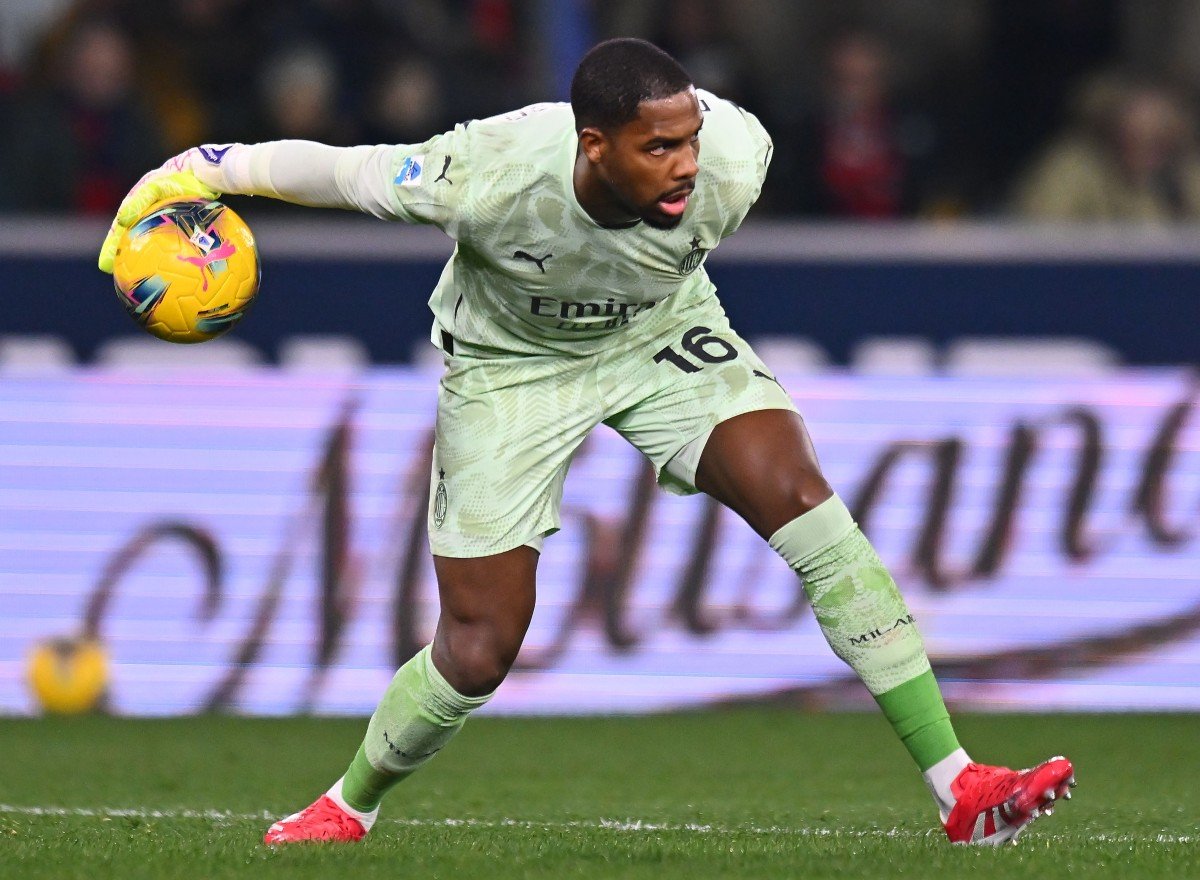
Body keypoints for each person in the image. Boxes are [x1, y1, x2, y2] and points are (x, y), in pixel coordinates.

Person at [98, 37, 1074, 847]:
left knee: (801, 495)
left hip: (655, 337)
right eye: (659, 148)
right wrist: (189, 170)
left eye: (689, 139)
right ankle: (347, 805)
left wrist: (690, 180)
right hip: (511, 368)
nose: (686, 165)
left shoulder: (736, 159)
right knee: (479, 648)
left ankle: (960, 785)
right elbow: (334, 173)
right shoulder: (489, 173)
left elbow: (703, 177)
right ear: (595, 145)